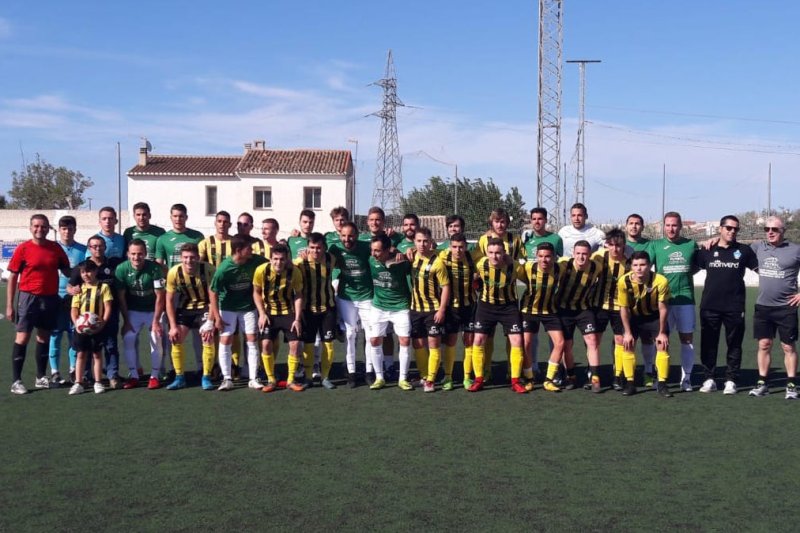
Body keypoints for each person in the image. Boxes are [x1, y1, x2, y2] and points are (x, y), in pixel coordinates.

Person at [7, 214, 71, 394]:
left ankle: (41, 377)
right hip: (28, 298)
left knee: (43, 337)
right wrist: (9, 306)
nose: (39, 229)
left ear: (48, 228)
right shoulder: (23, 249)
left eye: (43, 226)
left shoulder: (55, 248)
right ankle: (16, 381)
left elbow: (67, 270)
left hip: (50, 298)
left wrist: (84, 274)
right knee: (22, 338)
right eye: (36, 226)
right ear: (30, 228)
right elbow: (13, 277)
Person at [694, 216, 758, 394]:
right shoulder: (707, 249)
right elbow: (690, 268)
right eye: (728, 228)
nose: (732, 231)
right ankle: (709, 378)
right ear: (720, 229)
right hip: (709, 306)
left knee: (734, 344)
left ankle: (731, 380)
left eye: (735, 229)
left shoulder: (744, 251)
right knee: (708, 343)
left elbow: (762, 270)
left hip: (735, 306)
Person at [748, 217, 800, 399]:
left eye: (775, 229)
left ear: (783, 231)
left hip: (786, 308)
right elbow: (734, 248)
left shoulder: (795, 250)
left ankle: (792, 385)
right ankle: (762, 383)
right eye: (767, 228)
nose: (770, 232)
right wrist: (713, 240)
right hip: (763, 307)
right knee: (764, 344)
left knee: (788, 346)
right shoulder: (758, 247)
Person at [647, 211, 698, 391]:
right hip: (663, 302)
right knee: (662, 341)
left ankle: (687, 379)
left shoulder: (691, 244)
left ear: (681, 226)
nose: (671, 228)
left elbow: (697, 265)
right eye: (668, 225)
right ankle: (661, 378)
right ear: (663, 226)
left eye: (674, 225)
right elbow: (645, 268)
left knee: (687, 339)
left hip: (685, 300)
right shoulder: (656, 245)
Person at [209, 236, 267, 391]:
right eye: (249, 248)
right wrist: (216, 317)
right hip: (228, 307)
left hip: (248, 307)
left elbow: (273, 263)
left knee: (252, 339)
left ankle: (253, 378)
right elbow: (213, 292)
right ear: (238, 251)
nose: (252, 250)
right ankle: (227, 378)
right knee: (226, 339)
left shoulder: (256, 260)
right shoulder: (224, 268)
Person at [468, 238, 525, 393]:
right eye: (491, 253)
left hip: (509, 307)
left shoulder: (515, 266)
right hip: (486, 306)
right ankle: (479, 379)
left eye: (498, 253)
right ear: (486, 253)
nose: (494, 256)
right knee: (478, 339)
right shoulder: (481, 264)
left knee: (517, 340)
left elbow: (530, 278)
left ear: (504, 253)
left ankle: (515, 380)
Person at [67, 235, 123, 388]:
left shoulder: (113, 264)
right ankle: (86, 377)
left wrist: (104, 320)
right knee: (84, 348)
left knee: (110, 345)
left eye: (100, 246)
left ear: (105, 247)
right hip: (86, 315)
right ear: (89, 248)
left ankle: (112, 375)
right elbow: (70, 287)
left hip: (108, 312)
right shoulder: (82, 267)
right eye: (94, 246)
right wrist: (72, 290)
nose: (97, 249)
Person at [618, 251, 672, 397]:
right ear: (631, 267)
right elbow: (623, 308)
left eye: (642, 265)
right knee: (628, 345)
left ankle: (662, 384)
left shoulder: (660, 281)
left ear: (649, 266)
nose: (639, 268)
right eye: (635, 265)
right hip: (634, 317)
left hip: (654, 317)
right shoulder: (624, 281)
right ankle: (630, 384)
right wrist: (627, 333)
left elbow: (663, 308)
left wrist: (661, 332)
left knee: (662, 345)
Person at [165, 243, 217, 391]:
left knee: (207, 337)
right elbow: (168, 300)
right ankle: (179, 377)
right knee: (175, 337)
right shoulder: (174, 272)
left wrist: (210, 321)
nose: (189, 261)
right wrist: (173, 326)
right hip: (185, 308)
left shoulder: (208, 270)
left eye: (192, 257)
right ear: (181, 258)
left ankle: (206, 376)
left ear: (198, 257)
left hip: (205, 307)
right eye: (186, 257)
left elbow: (214, 297)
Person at [253, 243, 304, 391]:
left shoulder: (294, 271)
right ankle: (271, 380)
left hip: (288, 312)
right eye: (275, 259)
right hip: (269, 313)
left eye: (282, 259)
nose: (278, 262)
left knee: (295, 344)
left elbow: (299, 295)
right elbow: (256, 292)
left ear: (287, 259)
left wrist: (297, 319)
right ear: (270, 259)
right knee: (266, 344)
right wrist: (261, 314)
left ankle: (290, 380)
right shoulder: (261, 270)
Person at [115, 239, 166, 390]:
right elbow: (121, 297)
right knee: (128, 337)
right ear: (128, 254)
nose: (136, 257)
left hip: (152, 310)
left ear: (145, 254)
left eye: (140, 254)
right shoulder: (121, 269)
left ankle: (154, 376)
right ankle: (134, 376)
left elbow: (160, 296)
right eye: (133, 254)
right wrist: (126, 321)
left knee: (156, 338)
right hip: (133, 310)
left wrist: (156, 321)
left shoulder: (155, 269)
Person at [329, 222, 375, 387]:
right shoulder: (335, 249)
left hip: (366, 296)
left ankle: (370, 371)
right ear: (339, 235)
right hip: (346, 296)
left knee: (370, 335)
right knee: (350, 334)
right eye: (343, 235)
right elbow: (321, 257)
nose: (347, 239)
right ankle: (351, 373)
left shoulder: (366, 246)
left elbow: (384, 251)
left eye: (350, 235)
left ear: (357, 235)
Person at [367, 234, 412, 390]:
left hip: (400, 306)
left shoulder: (401, 261)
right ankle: (379, 377)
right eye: (372, 250)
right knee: (374, 341)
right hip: (378, 306)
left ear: (387, 250)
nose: (374, 254)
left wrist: (405, 255)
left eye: (378, 251)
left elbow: (414, 257)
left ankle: (403, 379)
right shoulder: (371, 260)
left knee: (405, 341)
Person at [556, 240, 602, 392]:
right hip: (564, 310)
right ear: (573, 254)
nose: (581, 257)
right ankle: (571, 376)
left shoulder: (596, 266)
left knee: (592, 340)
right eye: (578, 254)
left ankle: (595, 378)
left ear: (590, 255)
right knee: (567, 345)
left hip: (583, 309)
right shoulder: (564, 265)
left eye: (585, 254)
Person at [408, 227, 451, 392]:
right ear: (414, 242)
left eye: (425, 241)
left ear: (431, 242)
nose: (422, 244)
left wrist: (442, 310)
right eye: (419, 241)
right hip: (415, 309)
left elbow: (445, 287)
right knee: (418, 344)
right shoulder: (411, 257)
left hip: (432, 310)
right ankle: (424, 375)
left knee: (434, 344)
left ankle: (431, 379)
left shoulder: (437, 262)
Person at [519, 242, 565, 393]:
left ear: (554, 257)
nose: (544, 260)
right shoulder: (528, 267)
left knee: (560, 343)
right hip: (529, 311)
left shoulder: (560, 268)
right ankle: (529, 378)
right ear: (536, 256)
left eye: (547, 257)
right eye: (540, 256)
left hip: (550, 311)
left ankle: (549, 379)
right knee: (526, 343)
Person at [294, 233, 338, 389]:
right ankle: (308, 377)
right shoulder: (300, 262)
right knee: (308, 344)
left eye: (319, 247)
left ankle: (325, 377)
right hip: (308, 310)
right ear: (307, 247)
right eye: (312, 247)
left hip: (328, 308)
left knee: (328, 344)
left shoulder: (331, 259)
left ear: (324, 247)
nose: (315, 251)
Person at [49, 215, 87, 386]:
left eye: (70, 228)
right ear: (59, 230)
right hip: (55, 297)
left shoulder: (82, 250)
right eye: (63, 229)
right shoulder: (52, 249)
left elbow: (86, 274)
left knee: (74, 334)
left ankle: (73, 369)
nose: (67, 232)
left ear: (75, 230)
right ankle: (55, 371)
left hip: (76, 300)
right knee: (55, 335)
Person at [591, 229, 631, 391]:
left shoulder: (628, 262)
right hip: (599, 305)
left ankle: (617, 375)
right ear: (607, 245)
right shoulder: (599, 257)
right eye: (612, 245)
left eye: (619, 245)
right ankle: (593, 373)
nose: (615, 249)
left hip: (619, 308)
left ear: (624, 246)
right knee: (594, 340)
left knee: (620, 341)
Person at [68, 261, 114, 395]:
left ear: (95, 272)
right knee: (81, 354)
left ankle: (98, 382)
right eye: (83, 272)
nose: (86, 275)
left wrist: (102, 324)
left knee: (97, 354)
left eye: (88, 271)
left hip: (97, 328)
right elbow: (74, 309)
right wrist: (77, 324)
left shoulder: (103, 287)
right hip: (81, 329)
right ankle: (78, 383)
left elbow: (108, 307)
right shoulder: (79, 288)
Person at [438, 233, 477, 389]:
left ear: (466, 247)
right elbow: (425, 252)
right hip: (451, 307)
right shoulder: (442, 257)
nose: (458, 250)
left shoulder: (472, 257)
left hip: (470, 306)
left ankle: (467, 377)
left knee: (469, 341)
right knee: (451, 341)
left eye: (461, 247)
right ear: (450, 247)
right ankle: (448, 377)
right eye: (454, 247)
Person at [624, 213, 655, 383]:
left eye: (637, 224)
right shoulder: (620, 244)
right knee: (622, 338)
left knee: (646, 337)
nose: (634, 226)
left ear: (642, 226)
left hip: (646, 300)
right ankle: (621, 372)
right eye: (631, 223)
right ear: (626, 226)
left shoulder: (651, 245)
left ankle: (648, 370)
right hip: (624, 299)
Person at [155, 203, 204, 270]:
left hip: (193, 278)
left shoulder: (198, 237)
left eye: (181, 216)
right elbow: (159, 263)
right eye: (175, 216)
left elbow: (203, 260)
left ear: (186, 217)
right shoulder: (162, 239)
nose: (178, 219)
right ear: (171, 217)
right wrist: (169, 274)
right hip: (173, 278)